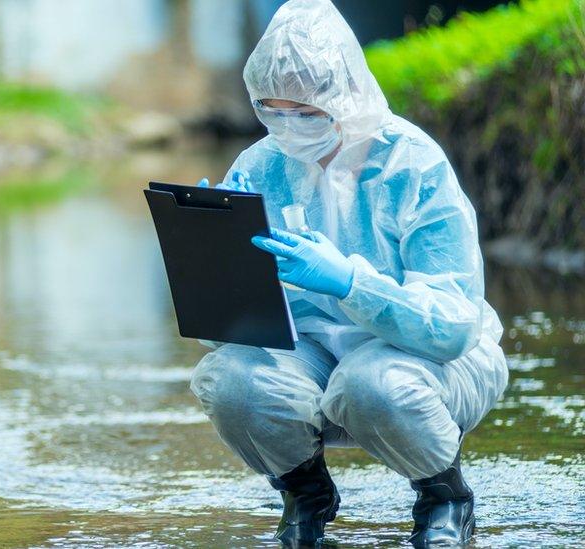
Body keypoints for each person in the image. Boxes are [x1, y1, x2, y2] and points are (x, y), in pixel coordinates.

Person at [191, 0, 508, 546]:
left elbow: (454, 328)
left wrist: (349, 282)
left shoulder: (412, 164)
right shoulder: (260, 164)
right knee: (232, 381)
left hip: (421, 362)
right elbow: (217, 337)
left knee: (371, 384)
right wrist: (218, 262)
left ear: (345, 95)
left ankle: (444, 494)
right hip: (311, 356)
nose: (289, 127)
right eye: (273, 110)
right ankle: (305, 492)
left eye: (307, 112)